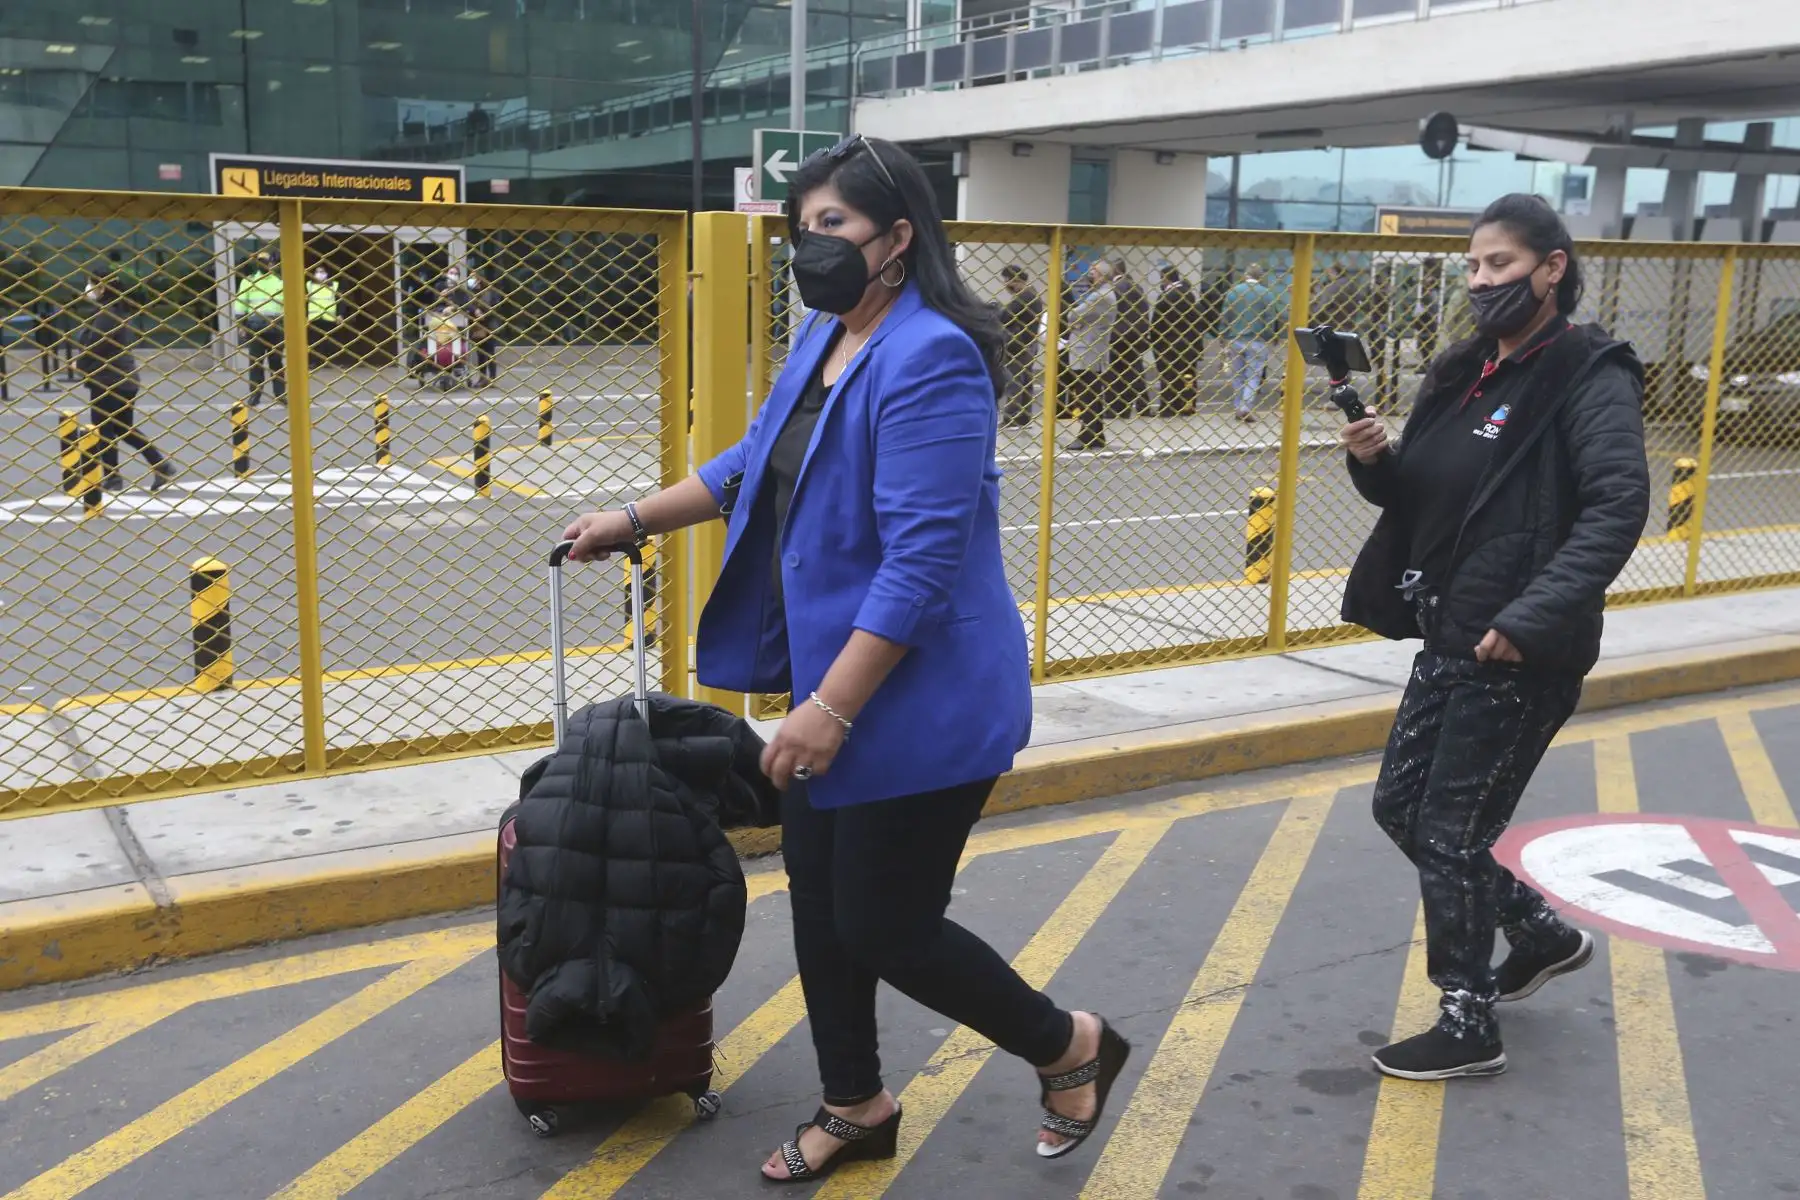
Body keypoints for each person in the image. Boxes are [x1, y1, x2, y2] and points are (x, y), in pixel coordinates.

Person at [560, 134, 1131, 1182]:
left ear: (898, 238)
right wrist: (634, 517)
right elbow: (751, 462)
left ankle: (1069, 1046)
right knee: (821, 907)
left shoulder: (934, 357)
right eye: (800, 229)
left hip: (919, 698)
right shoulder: (828, 333)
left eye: (832, 227)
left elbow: (921, 560)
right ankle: (854, 1102)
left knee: (887, 924)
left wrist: (828, 706)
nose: (809, 248)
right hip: (840, 683)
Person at [1339, 194, 1649, 1081]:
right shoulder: (1463, 368)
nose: (1481, 282)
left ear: (1552, 268)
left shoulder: (1589, 374)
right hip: (1449, 630)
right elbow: (1422, 500)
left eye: (1501, 265)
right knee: (1401, 807)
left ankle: (1468, 1019)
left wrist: (1531, 616)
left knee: (1452, 828)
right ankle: (1542, 934)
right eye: (1473, 267)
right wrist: (1374, 461)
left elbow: (1617, 506)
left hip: (1517, 647)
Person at [77, 273, 174, 493]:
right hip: (123, 378)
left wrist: (78, 362)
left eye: (92, 283)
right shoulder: (115, 309)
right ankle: (161, 465)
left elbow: (96, 343)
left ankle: (112, 478)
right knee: (122, 427)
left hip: (109, 379)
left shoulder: (106, 313)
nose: (88, 288)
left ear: (102, 287)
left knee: (104, 429)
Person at [1064, 259, 1118, 451]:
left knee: (1087, 394)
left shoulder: (1099, 297)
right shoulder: (1103, 295)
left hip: (1087, 350)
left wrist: (1076, 322)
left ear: (1102, 275)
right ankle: (1097, 434)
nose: (1089, 275)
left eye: (1093, 272)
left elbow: (1073, 315)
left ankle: (1086, 435)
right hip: (1092, 349)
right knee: (1092, 394)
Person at [1221, 262, 1284, 422]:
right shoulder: (1267, 294)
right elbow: (1271, 318)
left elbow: (1225, 315)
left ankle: (1237, 407)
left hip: (1235, 339)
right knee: (1253, 376)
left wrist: (1223, 335)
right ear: (1261, 277)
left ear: (1245, 275)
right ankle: (1245, 407)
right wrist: (1270, 336)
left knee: (1238, 375)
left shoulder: (1233, 292)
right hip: (1257, 340)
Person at [1151, 264, 1203, 416]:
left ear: (1165, 278)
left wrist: (1154, 341)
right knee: (1188, 376)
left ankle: (1168, 407)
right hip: (1188, 342)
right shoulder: (1189, 295)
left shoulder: (1165, 297)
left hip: (1167, 343)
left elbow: (1157, 323)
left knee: (1168, 376)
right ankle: (1187, 406)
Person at [235, 251, 285, 408]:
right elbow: (240, 305)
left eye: (266, 261)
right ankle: (255, 395)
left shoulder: (280, 282)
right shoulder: (248, 282)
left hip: (276, 328)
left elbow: (287, 306)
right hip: (255, 328)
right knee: (255, 363)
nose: (264, 264)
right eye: (261, 262)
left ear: (272, 263)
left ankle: (281, 395)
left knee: (276, 363)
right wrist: (241, 325)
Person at [997, 263, 1043, 428]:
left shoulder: (1024, 296)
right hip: (1028, 343)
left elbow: (1005, 316)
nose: (1005, 285)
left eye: (1006, 281)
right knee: (1025, 379)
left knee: (1015, 379)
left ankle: (1013, 417)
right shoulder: (1032, 293)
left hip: (1019, 344)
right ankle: (1023, 417)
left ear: (1013, 280)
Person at [1106, 261, 1152, 417]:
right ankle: (1141, 405)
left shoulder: (1115, 288)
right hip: (1135, 337)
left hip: (1117, 337)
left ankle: (1116, 408)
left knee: (1115, 373)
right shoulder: (1136, 287)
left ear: (1114, 270)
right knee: (1134, 371)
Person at [467, 273, 503, 386]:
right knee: (480, 354)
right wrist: (475, 312)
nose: (472, 280)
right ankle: (482, 377)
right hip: (477, 327)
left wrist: (483, 314)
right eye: (470, 278)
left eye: (474, 277)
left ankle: (492, 378)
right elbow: (468, 305)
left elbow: (495, 307)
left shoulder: (490, 292)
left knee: (490, 352)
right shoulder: (470, 293)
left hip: (489, 325)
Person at [307, 266, 340, 367]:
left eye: (322, 271)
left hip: (329, 317)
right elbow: (303, 302)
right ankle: (313, 362)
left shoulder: (334, 285)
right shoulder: (309, 285)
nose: (319, 274)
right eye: (317, 272)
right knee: (313, 342)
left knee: (329, 342)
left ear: (327, 273)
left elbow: (340, 301)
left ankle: (328, 362)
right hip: (314, 318)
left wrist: (340, 315)